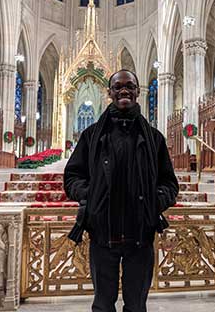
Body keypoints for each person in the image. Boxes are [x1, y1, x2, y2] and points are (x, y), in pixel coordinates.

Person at [64, 69, 179, 312]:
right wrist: (90, 196)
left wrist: (154, 202)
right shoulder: (92, 135)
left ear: (138, 92)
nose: (124, 90)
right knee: (103, 305)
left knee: (137, 305)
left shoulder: (154, 139)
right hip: (103, 231)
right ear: (110, 93)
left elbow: (169, 183)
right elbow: (73, 176)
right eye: (118, 87)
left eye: (129, 86)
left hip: (141, 232)